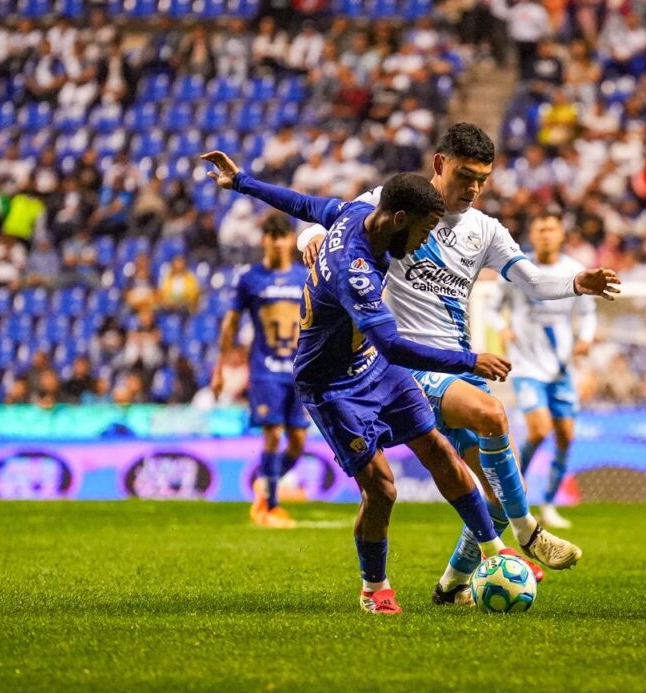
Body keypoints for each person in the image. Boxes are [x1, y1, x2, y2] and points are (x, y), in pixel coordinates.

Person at [295, 124, 619, 602]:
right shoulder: (396, 201)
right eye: (465, 175)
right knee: (492, 416)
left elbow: (531, 280)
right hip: (408, 363)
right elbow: (335, 218)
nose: (473, 188)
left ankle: (452, 585)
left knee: (492, 500)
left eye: (482, 180)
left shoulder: (485, 230)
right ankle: (528, 536)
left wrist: (576, 283)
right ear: (439, 164)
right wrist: (310, 234)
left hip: (460, 368)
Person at [204, 151, 515, 615]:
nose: (426, 240)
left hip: (370, 364)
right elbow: (394, 345)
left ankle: (495, 552)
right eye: (425, 230)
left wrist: (243, 181)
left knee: (439, 450)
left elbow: (304, 205)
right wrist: (470, 360)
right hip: (331, 385)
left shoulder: (356, 213)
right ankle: (374, 587)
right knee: (382, 488)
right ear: (399, 219)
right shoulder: (355, 271)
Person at [488, 210, 596, 529]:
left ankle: (548, 504)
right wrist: (503, 329)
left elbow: (587, 311)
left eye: (552, 229)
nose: (547, 234)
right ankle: (514, 490)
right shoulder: (517, 269)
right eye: (541, 229)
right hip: (526, 365)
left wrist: (586, 339)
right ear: (532, 235)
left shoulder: (573, 270)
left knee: (565, 435)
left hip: (560, 366)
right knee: (538, 429)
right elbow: (493, 310)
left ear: (562, 235)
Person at [212, 213, 309, 529]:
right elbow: (231, 324)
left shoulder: (303, 277)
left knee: (297, 442)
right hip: (265, 368)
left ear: (290, 240)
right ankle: (269, 505)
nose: (277, 241)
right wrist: (220, 368)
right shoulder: (250, 279)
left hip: (298, 371)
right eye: (271, 235)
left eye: (282, 235)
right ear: (264, 239)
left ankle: (265, 484)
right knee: (273, 434)